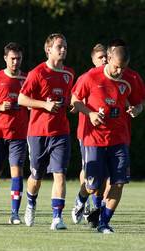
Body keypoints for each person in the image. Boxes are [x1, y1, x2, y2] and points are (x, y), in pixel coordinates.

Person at [71, 45, 144, 233]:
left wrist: (136, 109)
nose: (120, 72)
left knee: (118, 182)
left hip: (119, 139)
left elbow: (139, 101)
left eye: (123, 68)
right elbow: (75, 101)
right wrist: (90, 113)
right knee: (93, 185)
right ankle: (80, 199)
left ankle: (104, 223)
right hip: (94, 139)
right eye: (117, 67)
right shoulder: (90, 77)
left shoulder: (129, 79)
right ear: (109, 58)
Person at [18, 33, 75, 230]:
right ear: (48, 49)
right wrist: (45, 105)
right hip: (38, 132)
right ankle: (31, 203)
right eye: (59, 46)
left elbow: (68, 99)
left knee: (59, 174)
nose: (63, 49)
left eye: (65, 46)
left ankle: (57, 217)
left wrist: (71, 105)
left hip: (61, 132)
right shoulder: (37, 73)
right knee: (36, 177)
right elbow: (21, 99)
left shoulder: (69, 74)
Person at [0, 42, 28, 225]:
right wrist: (0, 107)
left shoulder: (27, 79)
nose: (15, 62)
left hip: (19, 133)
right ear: (5, 58)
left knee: (16, 171)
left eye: (18, 59)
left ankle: (14, 214)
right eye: (12, 59)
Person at [70, 44, 107, 224]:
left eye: (106, 56)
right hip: (87, 134)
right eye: (100, 57)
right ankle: (81, 201)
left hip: (108, 136)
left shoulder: (114, 78)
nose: (104, 60)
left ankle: (95, 210)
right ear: (93, 60)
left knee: (104, 176)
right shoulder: (86, 78)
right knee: (89, 173)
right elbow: (74, 102)